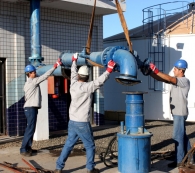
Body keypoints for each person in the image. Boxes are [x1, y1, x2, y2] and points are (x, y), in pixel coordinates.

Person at [54, 53, 116, 173]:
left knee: (68, 145)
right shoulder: (88, 87)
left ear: (78, 76)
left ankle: (58, 167)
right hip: (82, 122)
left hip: (72, 121)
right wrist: (109, 70)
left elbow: (72, 74)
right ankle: (90, 168)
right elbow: (99, 81)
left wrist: (73, 61)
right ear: (87, 77)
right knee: (90, 146)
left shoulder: (73, 84)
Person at [148, 59, 191, 168]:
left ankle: (180, 161)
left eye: (175, 69)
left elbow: (169, 78)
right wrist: (150, 73)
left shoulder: (184, 81)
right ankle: (190, 158)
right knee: (183, 137)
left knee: (177, 137)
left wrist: (156, 70)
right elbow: (162, 78)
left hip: (180, 113)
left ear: (181, 70)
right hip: (177, 113)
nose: (174, 70)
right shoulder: (176, 80)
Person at [20, 58, 62, 157]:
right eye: (33, 72)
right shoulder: (32, 82)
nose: (35, 73)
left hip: (31, 108)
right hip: (30, 108)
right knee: (30, 129)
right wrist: (54, 66)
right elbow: (45, 76)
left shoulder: (29, 83)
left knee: (31, 128)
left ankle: (28, 147)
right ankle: (23, 149)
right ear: (29, 73)